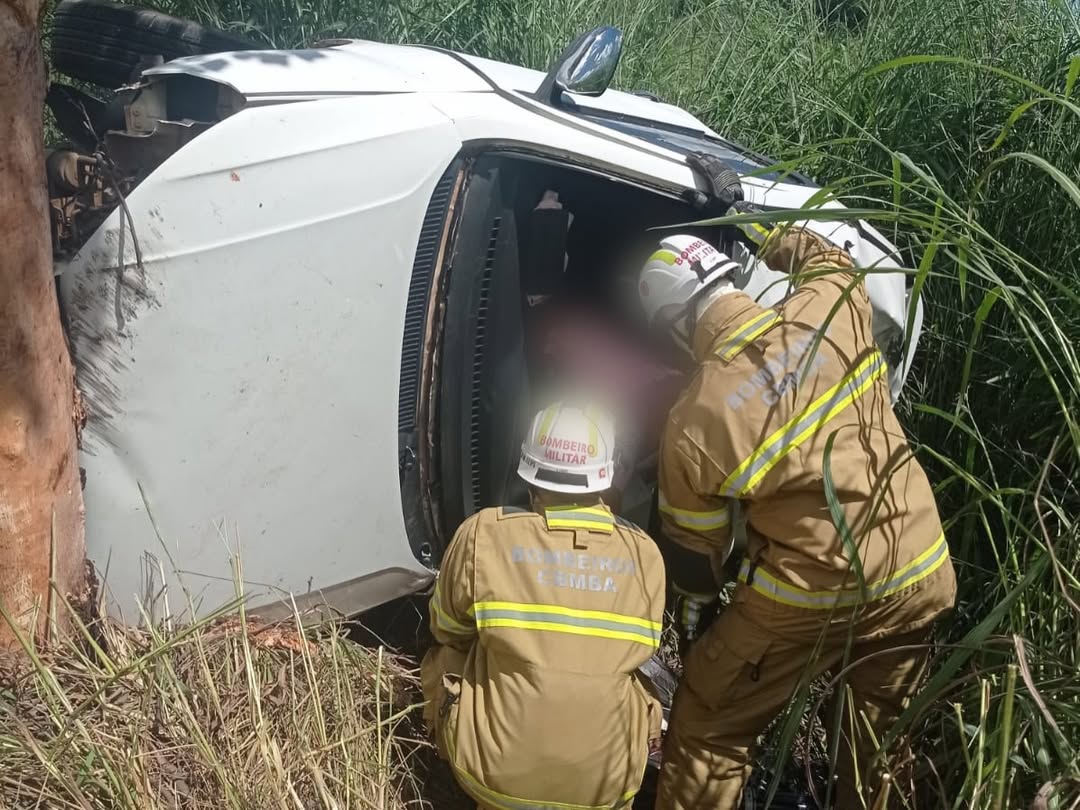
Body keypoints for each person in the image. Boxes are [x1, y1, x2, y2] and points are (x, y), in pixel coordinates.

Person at [638, 154, 957, 809]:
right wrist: (749, 211)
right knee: (878, 744)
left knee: (711, 727)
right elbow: (825, 252)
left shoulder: (695, 417)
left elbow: (699, 561)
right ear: (731, 280)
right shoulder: (830, 306)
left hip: (811, 594)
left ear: (673, 325)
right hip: (921, 562)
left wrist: (705, 629)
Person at [420, 402, 666, 810]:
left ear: (527, 469)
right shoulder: (644, 556)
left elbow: (446, 629)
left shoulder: (484, 535)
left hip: (488, 778)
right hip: (607, 788)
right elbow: (644, 648)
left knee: (445, 656)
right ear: (606, 476)